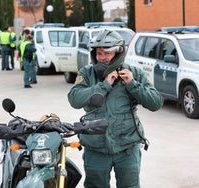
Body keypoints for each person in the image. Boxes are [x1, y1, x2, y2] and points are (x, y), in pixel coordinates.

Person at [67, 29, 164, 188]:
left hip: (127, 148)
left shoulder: (134, 74)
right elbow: (74, 99)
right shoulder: (87, 73)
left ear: (118, 53)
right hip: (95, 148)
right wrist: (104, 85)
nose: (101, 58)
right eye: (98, 53)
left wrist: (133, 85)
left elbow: (156, 103)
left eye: (107, 53)